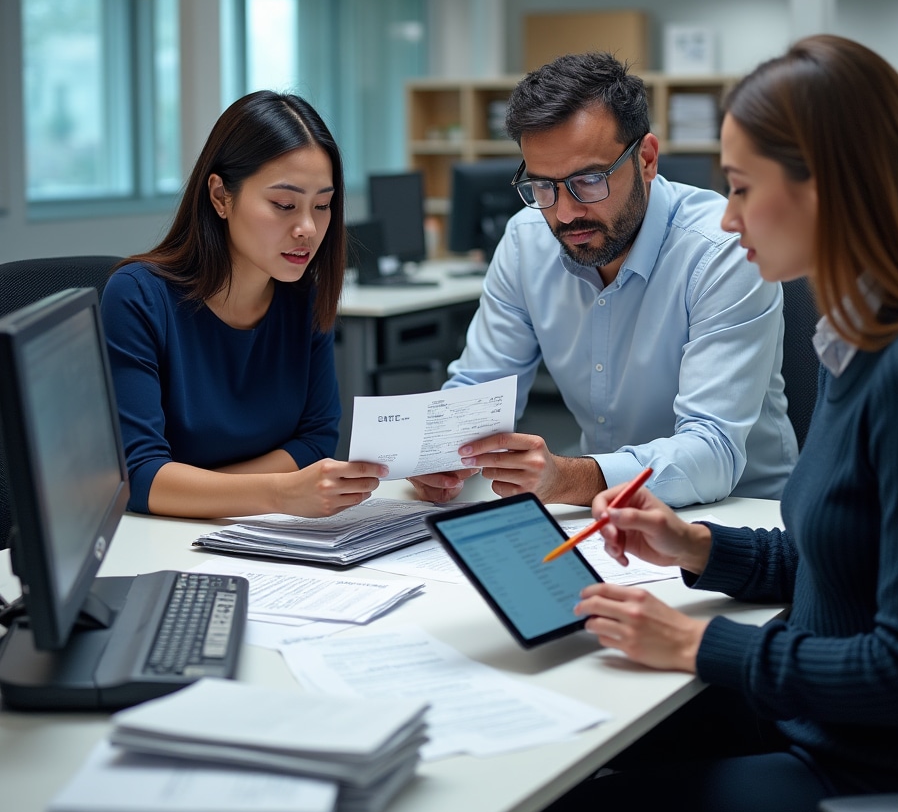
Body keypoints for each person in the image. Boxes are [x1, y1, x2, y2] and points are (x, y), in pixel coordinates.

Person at [542, 34, 898, 812]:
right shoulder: (855, 341)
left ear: (826, 190)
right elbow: (848, 561)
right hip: (831, 728)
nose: (726, 220)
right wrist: (696, 546)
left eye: (740, 188)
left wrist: (697, 645)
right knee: (582, 740)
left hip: (888, 768)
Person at [411, 52, 797, 508]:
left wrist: (566, 479)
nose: (566, 212)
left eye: (589, 180)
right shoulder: (526, 240)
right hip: (599, 513)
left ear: (647, 159)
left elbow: (711, 452)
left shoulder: (723, 249)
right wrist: (441, 450)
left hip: (739, 516)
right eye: (543, 186)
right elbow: (481, 388)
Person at [102, 90, 387, 519]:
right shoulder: (138, 297)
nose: (307, 228)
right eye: (284, 205)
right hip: (161, 540)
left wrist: (212, 490)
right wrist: (279, 493)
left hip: (256, 535)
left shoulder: (303, 297)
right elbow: (138, 475)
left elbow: (315, 440)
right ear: (220, 196)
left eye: (323, 205)